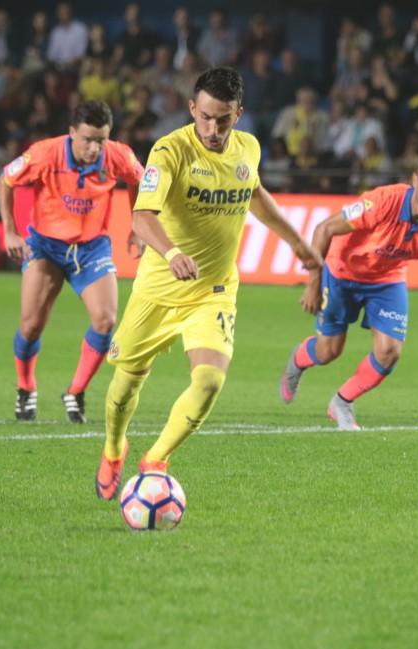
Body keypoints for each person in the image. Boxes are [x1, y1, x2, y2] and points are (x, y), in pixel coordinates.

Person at [95, 67, 321, 499]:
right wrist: (173, 253)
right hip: (159, 287)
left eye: (223, 120)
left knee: (210, 381)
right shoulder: (170, 151)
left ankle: (155, 460)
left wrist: (297, 243)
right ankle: (114, 447)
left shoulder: (249, 148)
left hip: (213, 289)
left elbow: (254, 194)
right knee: (126, 384)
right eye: (206, 117)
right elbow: (142, 218)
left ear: (239, 114)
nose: (213, 130)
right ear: (192, 108)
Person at [280, 151, 418, 430]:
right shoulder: (382, 202)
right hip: (342, 271)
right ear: (415, 180)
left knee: (390, 351)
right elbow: (324, 229)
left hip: (387, 279)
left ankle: (342, 402)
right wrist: (313, 283)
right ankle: (298, 359)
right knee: (329, 351)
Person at [0, 101, 144, 423]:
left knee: (105, 320)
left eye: (101, 140)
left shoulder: (118, 155)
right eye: (88, 140)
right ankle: (26, 387)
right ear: (72, 133)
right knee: (31, 325)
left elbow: (140, 180)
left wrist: (137, 224)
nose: (94, 148)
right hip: (46, 246)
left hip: (92, 248)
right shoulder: (44, 154)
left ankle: (75, 392)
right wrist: (10, 231)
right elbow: (5, 180)